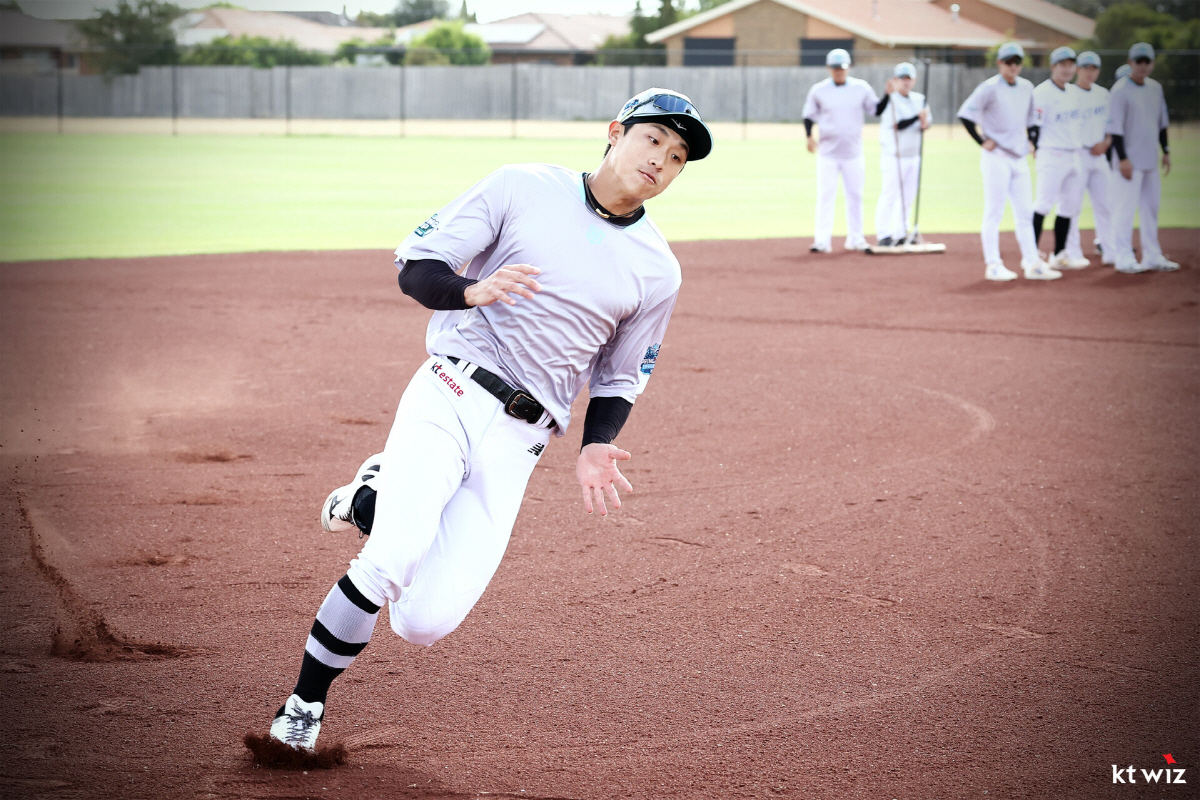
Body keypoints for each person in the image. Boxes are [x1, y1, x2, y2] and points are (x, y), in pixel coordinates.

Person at [260, 88, 714, 754]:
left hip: (522, 440)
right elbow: (417, 266)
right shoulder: (522, 186)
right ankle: (302, 707)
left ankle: (371, 499)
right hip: (450, 389)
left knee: (423, 623)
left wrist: (595, 446)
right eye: (652, 140)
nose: (661, 161)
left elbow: (621, 376)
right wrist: (471, 291)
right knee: (391, 559)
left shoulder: (659, 270)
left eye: (677, 157)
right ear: (615, 132)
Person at [957, 42, 1059, 281]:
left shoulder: (1026, 87)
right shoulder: (989, 87)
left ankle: (1032, 263)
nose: (1013, 66)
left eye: (1017, 62)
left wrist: (1033, 140)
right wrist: (981, 140)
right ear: (1000, 63)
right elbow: (965, 114)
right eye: (1008, 62)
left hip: (1019, 157)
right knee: (994, 212)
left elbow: (1032, 120)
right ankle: (993, 264)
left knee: (1025, 213)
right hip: (996, 157)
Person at [803, 48, 886, 253]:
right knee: (825, 196)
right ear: (828, 68)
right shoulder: (819, 90)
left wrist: (888, 95)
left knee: (855, 195)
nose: (839, 71)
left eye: (842, 68)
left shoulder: (861, 88)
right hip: (827, 153)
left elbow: (876, 110)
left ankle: (856, 238)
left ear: (849, 68)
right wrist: (808, 136)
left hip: (853, 153)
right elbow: (808, 115)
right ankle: (822, 240)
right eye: (835, 68)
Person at [1106, 42, 1178, 273]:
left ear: (1152, 64)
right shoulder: (1120, 90)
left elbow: (1161, 124)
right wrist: (1123, 159)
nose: (1143, 66)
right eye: (1139, 61)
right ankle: (1123, 257)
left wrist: (1165, 151)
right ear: (1131, 63)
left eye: (1147, 61)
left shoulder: (1155, 88)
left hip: (1149, 161)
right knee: (1124, 211)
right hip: (1128, 162)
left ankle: (1152, 256)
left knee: (1151, 210)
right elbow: (1115, 129)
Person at [1031, 46, 1089, 270]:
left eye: (1070, 65)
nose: (1067, 69)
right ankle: (1032, 254)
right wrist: (1034, 146)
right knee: (1043, 204)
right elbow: (1034, 125)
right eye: (1062, 65)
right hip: (1051, 153)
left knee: (1069, 207)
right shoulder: (1042, 92)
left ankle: (1060, 254)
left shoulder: (1074, 92)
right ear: (1053, 67)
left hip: (1074, 154)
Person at [1063, 51, 1113, 266]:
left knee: (1106, 205)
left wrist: (1106, 143)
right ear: (1078, 69)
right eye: (1086, 68)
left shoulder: (1103, 94)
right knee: (1073, 206)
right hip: (1078, 154)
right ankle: (1072, 252)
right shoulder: (1069, 93)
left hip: (1099, 155)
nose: (1090, 72)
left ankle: (1110, 250)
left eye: (1094, 68)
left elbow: (1112, 126)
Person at [874, 61, 931, 247]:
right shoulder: (890, 100)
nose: (905, 82)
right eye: (902, 79)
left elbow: (926, 123)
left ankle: (902, 231)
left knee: (908, 196)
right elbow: (898, 125)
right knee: (889, 194)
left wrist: (924, 123)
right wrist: (917, 117)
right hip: (894, 156)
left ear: (914, 80)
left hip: (913, 155)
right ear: (895, 80)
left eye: (909, 78)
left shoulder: (920, 99)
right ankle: (884, 233)